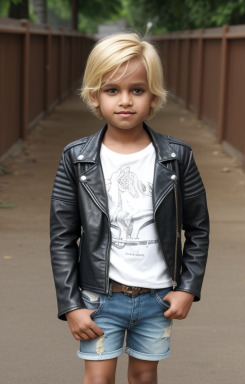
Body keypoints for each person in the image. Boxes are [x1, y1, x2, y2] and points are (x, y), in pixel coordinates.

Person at [50, 33, 209, 384]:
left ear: (153, 97)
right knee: (98, 379)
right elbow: (62, 238)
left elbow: (198, 228)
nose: (125, 101)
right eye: (112, 90)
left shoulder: (176, 157)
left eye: (137, 90)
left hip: (157, 298)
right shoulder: (76, 159)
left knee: (143, 376)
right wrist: (71, 304)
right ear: (94, 95)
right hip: (99, 297)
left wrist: (187, 287)